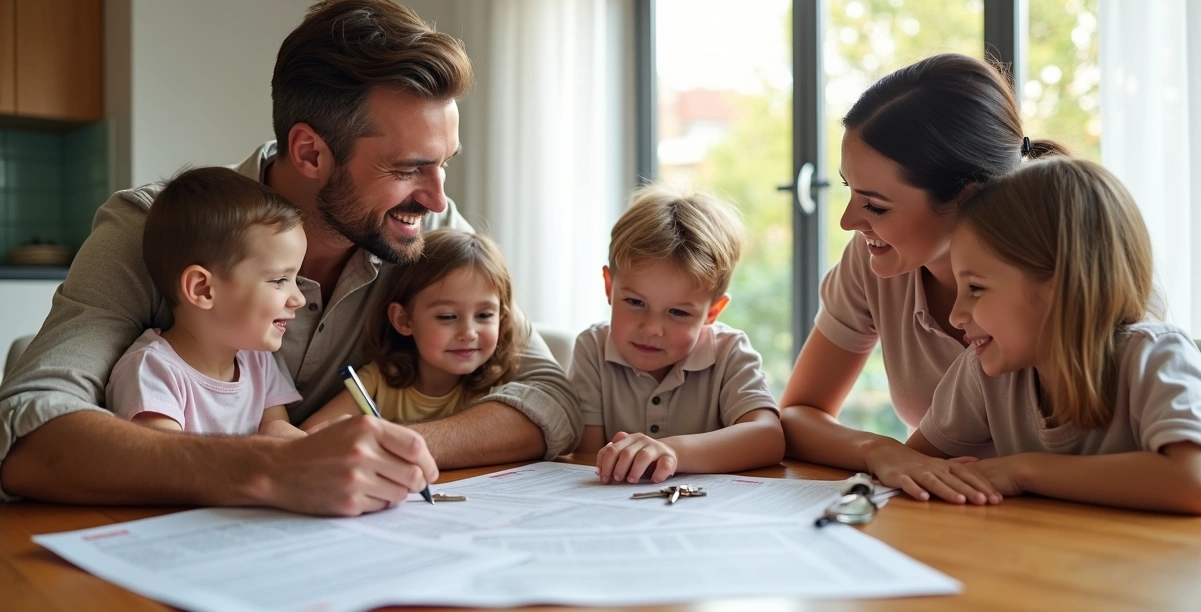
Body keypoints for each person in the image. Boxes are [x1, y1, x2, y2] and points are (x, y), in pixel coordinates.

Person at [0, 0, 580, 516]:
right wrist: (273, 468)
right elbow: (26, 435)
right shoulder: (151, 228)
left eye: (443, 162)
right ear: (309, 152)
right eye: (407, 169)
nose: (437, 197)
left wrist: (378, 453)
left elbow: (550, 398)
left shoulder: (429, 234)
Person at [780, 53, 1067, 505]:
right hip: (953, 521)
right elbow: (798, 413)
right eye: (849, 190)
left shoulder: (1076, 279)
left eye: (875, 205)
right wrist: (880, 450)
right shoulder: (875, 262)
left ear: (965, 198)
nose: (848, 221)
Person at [906, 158, 1201, 514]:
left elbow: (1196, 484)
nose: (956, 315)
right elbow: (915, 463)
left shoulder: (1156, 355)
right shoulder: (984, 372)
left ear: (1061, 290)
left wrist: (1022, 470)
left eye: (975, 287)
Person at [573, 186, 784, 484]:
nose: (651, 328)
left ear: (712, 312)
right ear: (609, 286)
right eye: (635, 302)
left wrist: (671, 451)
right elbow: (586, 457)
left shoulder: (729, 353)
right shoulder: (592, 348)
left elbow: (769, 438)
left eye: (678, 313)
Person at [105, 167, 307, 438]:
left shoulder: (258, 361)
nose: (299, 298)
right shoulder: (153, 371)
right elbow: (168, 470)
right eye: (280, 280)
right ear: (203, 288)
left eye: (296, 279)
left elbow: (277, 432)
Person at [303, 229, 525, 428]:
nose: (468, 332)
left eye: (484, 315)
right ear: (403, 320)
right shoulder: (378, 381)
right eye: (447, 316)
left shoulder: (500, 391)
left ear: (502, 319)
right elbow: (307, 436)